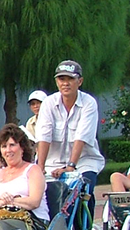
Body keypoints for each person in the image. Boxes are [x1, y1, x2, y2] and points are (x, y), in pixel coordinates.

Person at [35, 60, 105, 212]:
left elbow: (82, 136)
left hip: (84, 161)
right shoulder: (48, 103)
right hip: (52, 163)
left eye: (70, 79)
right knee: (42, 195)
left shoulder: (89, 103)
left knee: (84, 191)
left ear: (79, 81)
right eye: (62, 79)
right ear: (56, 81)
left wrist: (70, 166)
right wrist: (40, 167)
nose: (65, 83)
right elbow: (44, 135)